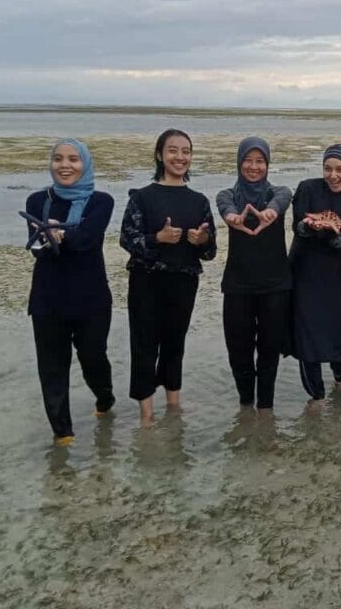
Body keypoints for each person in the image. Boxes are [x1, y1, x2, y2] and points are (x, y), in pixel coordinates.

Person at [120, 129, 216, 426]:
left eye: (186, 151)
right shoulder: (142, 197)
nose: (180, 157)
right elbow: (126, 239)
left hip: (184, 282)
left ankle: (174, 405)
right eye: (173, 150)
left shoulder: (199, 200)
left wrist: (201, 241)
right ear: (160, 155)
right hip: (146, 281)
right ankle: (146, 414)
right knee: (144, 344)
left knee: (175, 343)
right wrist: (157, 238)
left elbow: (210, 252)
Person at [26, 139, 115, 446]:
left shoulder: (101, 201)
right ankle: (62, 436)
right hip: (47, 301)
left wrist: (60, 235)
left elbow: (88, 240)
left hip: (91, 300)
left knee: (94, 360)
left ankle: (105, 399)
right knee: (51, 370)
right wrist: (49, 239)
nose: (65, 165)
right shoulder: (37, 201)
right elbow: (38, 250)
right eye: (58, 159)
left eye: (74, 159)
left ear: (86, 164)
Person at [290, 144, 341, 402]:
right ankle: (316, 398)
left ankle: (340, 380)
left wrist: (338, 238)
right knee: (305, 336)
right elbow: (296, 225)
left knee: (337, 330)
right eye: (328, 168)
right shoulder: (307, 189)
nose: (333, 175)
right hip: (301, 272)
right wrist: (306, 226)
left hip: (333, 276)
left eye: (340, 169)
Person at [217, 137, 293, 411]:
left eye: (260, 161)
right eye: (248, 160)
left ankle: (266, 408)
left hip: (275, 287)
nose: (253, 166)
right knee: (239, 353)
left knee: (269, 354)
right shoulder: (229, 196)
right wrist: (233, 217)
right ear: (239, 163)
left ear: (268, 164)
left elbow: (284, 198)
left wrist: (270, 212)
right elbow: (224, 206)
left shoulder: (277, 193)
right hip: (237, 287)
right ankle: (245, 407)